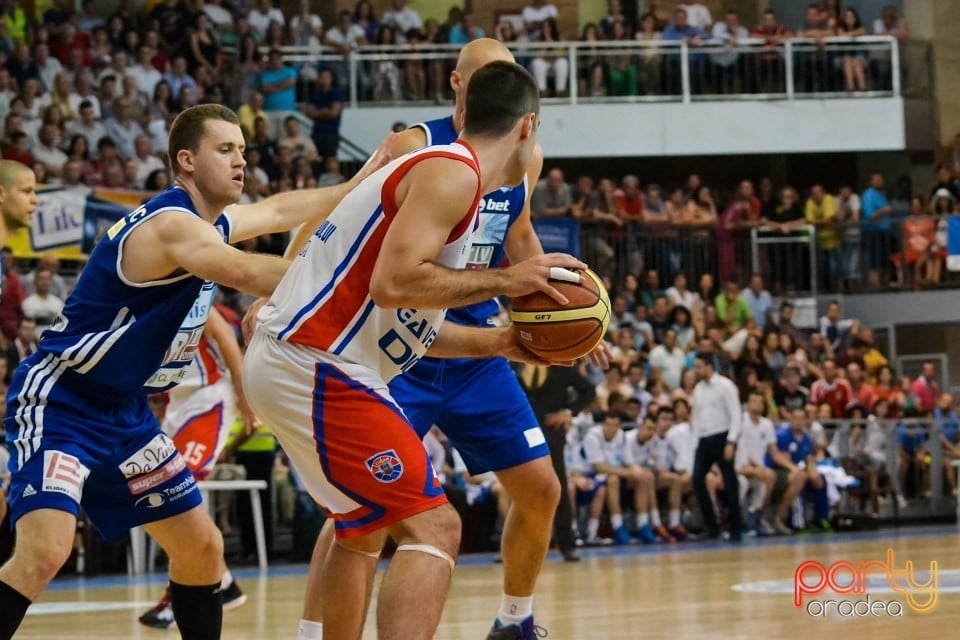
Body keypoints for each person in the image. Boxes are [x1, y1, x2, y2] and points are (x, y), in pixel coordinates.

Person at [0, 104, 390, 640]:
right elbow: (246, 270)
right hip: (63, 399)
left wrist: (360, 182)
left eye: (244, 150)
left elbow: (279, 209)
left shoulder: (208, 222)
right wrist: (372, 285)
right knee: (45, 551)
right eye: (225, 150)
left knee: (202, 548)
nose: (241, 161)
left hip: (126, 415)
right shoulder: (170, 226)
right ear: (186, 160)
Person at [243, 61, 583, 640]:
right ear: (528, 127)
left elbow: (409, 321)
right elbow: (394, 284)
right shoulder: (451, 173)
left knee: (359, 529)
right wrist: (505, 282)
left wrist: (502, 341)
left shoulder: (454, 180)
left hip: (308, 360)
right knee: (435, 528)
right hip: (318, 363)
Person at [137, 307, 255, 629]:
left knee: (175, 494)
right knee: (156, 494)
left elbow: (224, 336)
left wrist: (244, 392)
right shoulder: (134, 298)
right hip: (177, 404)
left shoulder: (183, 286)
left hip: (209, 398)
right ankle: (223, 582)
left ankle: (182, 595)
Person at [515, 363, 596, 562]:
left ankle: (567, 544)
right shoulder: (512, 362)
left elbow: (589, 389)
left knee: (557, 487)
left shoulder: (560, 363)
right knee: (518, 488)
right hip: (519, 430)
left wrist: (569, 412)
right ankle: (517, 544)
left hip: (550, 431)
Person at [691, 353, 742, 541]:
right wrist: (696, 442)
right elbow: (696, 417)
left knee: (729, 483)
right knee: (697, 479)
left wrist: (731, 441)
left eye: (698, 367)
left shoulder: (725, 386)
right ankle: (712, 526)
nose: (696, 371)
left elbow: (736, 413)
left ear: (709, 366)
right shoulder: (698, 389)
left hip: (722, 436)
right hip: (704, 439)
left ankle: (735, 527)